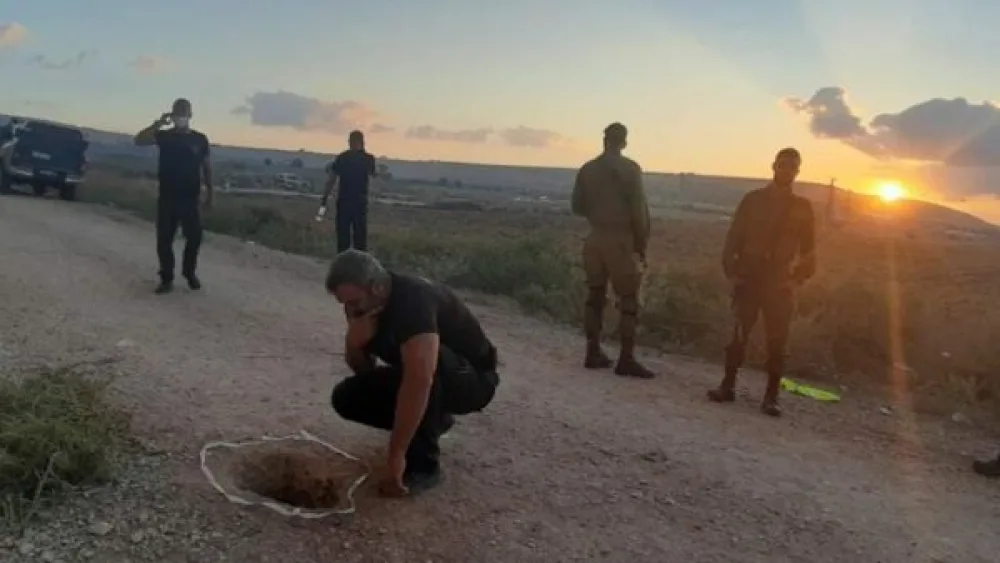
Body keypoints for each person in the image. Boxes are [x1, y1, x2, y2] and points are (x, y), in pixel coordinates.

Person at [326, 250, 500, 497]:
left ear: (376, 287)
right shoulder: (361, 308)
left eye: (353, 303)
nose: (350, 309)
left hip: (473, 381)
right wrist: (354, 342)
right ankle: (434, 421)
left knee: (425, 365)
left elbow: (420, 379)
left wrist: (396, 454)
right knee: (347, 397)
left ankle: (424, 465)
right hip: (426, 376)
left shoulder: (414, 301)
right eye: (344, 304)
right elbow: (365, 371)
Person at [707, 147, 815, 417]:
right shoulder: (752, 200)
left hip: (779, 282)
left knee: (777, 342)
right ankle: (727, 386)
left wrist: (797, 280)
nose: (786, 170)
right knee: (738, 336)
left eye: (792, 166)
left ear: (798, 171)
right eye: (782, 164)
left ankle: (771, 397)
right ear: (773, 166)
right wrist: (731, 271)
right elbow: (734, 237)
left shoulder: (802, 208)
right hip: (750, 277)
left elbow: (810, 250)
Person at [571, 122, 655, 379]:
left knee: (595, 296)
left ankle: (592, 351)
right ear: (624, 142)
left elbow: (577, 205)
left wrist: (599, 216)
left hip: (595, 238)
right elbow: (639, 212)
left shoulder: (587, 169)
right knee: (629, 300)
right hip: (621, 240)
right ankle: (626, 358)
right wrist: (640, 245)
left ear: (604, 140)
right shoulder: (630, 170)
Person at [134, 98, 213, 295]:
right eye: (178, 112)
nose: (181, 116)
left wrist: (210, 194)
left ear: (191, 115)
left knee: (194, 237)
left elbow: (207, 167)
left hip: (190, 197)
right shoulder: (164, 136)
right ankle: (166, 278)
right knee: (164, 240)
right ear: (172, 114)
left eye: (184, 112)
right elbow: (139, 140)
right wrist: (158, 123)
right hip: (168, 197)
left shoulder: (200, 139)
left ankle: (188, 272)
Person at [321, 130, 376, 253]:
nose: (352, 144)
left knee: (356, 238)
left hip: (354, 202)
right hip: (350, 201)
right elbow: (333, 178)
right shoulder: (364, 159)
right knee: (347, 237)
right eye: (351, 142)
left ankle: (354, 265)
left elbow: (332, 178)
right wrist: (325, 196)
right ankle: (349, 265)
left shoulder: (347, 158)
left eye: (353, 142)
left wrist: (325, 196)